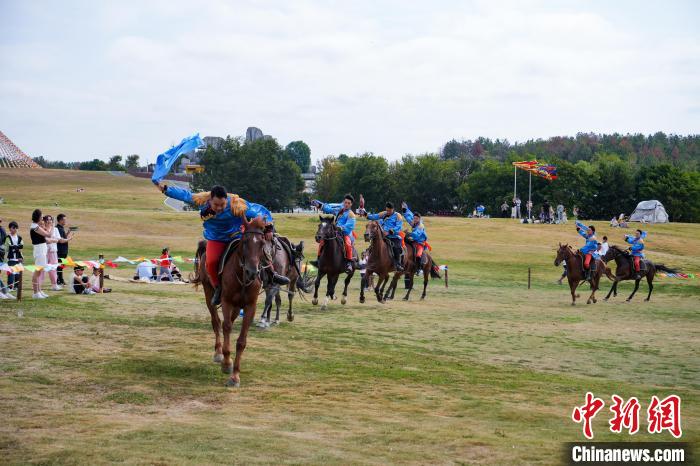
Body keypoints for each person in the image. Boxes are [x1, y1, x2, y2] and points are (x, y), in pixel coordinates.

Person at [157, 183, 289, 306]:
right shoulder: (202, 201)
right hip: (216, 238)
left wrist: (269, 228)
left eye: (222, 204)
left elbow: (260, 211)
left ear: (227, 200)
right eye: (216, 205)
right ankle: (218, 289)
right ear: (210, 201)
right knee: (211, 261)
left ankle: (272, 274)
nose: (219, 208)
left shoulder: (237, 204)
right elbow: (184, 195)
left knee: (255, 251)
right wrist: (166, 189)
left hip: (237, 235)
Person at [310, 194, 357, 273]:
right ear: (343, 202)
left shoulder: (351, 214)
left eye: (349, 203)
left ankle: (349, 263)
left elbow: (350, 225)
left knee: (348, 244)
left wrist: (341, 228)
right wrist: (319, 204)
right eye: (345, 202)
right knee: (322, 241)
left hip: (345, 233)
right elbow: (329, 208)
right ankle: (318, 260)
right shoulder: (339, 209)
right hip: (335, 232)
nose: (346, 204)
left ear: (351, 204)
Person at [364, 202, 405, 271]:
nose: (388, 212)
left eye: (389, 210)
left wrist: (390, 231)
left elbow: (399, 226)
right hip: (383, 236)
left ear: (393, 209)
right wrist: (366, 215)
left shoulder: (398, 216)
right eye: (387, 210)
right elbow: (375, 216)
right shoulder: (384, 213)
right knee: (374, 244)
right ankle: (369, 260)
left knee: (396, 247)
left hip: (394, 237)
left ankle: (398, 264)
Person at [29, 209, 55, 299]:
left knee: (39, 271)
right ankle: (35, 293)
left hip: (41, 249)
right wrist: (52, 225)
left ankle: (39, 291)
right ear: (38, 217)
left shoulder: (36, 226)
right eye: (41, 216)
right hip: (39, 250)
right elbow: (48, 235)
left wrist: (47, 226)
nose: (42, 218)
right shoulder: (34, 227)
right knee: (37, 271)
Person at [402, 202, 429, 269]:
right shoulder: (413, 222)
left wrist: (408, 233)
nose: (414, 220)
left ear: (419, 219)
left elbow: (417, 234)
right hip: (414, 240)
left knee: (418, 255)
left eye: (416, 219)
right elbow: (409, 216)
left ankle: (419, 268)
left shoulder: (420, 226)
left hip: (420, 243)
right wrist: (405, 210)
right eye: (414, 218)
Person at [44, 215, 63, 291]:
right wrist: (52, 240)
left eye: (50, 220)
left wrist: (51, 240)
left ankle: (54, 285)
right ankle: (38, 284)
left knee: (53, 268)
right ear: (44, 221)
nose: (49, 221)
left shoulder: (55, 229)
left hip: (53, 251)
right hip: (44, 251)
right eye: (47, 220)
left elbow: (57, 239)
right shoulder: (43, 229)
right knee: (42, 268)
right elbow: (46, 240)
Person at [55, 214, 74, 285]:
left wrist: (68, 233)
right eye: (64, 219)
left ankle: (60, 280)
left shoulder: (60, 228)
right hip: (60, 250)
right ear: (60, 220)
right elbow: (61, 240)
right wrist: (69, 239)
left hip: (63, 250)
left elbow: (63, 237)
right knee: (59, 266)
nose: (65, 221)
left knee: (61, 266)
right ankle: (59, 280)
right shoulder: (58, 229)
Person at [5, 221, 23, 292]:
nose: (15, 229)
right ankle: (10, 287)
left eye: (16, 228)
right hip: (11, 259)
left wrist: (15, 247)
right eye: (13, 228)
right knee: (11, 273)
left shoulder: (19, 237)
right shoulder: (8, 237)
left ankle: (16, 286)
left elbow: (21, 246)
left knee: (18, 274)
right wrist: (16, 247)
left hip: (18, 259)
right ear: (10, 229)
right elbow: (9, 246)